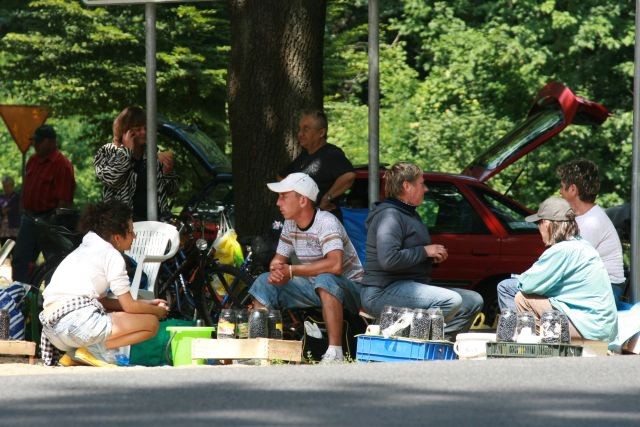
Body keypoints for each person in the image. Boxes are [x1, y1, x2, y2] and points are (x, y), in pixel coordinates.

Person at [248, 173, 363, 363]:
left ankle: (335, 353)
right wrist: (277, 271)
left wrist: (291, 271)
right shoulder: (290, 224)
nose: (278, 202)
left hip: (351, 290)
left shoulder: (326, 222)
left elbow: (335, 265)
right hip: (314, 287)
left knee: (325, 279)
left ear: (302, 200)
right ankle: (259, 349)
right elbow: (278, 260)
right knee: (263, 281)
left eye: (284, 196)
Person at [39, 201, 169, 367]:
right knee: (151, 323)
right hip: (78, 324)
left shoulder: (85, 249)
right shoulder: (111, 255)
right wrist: (156, 311)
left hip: (53, 332)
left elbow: (101, 302)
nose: (134, 236)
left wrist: (145, 303)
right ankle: (92, 351)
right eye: (131, 231)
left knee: (111, 312)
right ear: (117, 237)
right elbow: (129, 306)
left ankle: (75, 354)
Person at [360, 162, 483, 337]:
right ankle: (417, 344)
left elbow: (410, 254)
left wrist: (430, 258)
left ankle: (442, 345)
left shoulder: (409, 214)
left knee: (472, 301)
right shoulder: (389, 215)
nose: (425, 189)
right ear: (406, 186)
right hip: (381, 292)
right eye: (421, 183)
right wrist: (425, 252)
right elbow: (389, 260)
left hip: (407, 287)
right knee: (451, 301)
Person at [498, 159, 625, 310]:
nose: (560, 192)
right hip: (592, 287)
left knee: (509, 288)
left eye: (562, 187)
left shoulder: (591, 222)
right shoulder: (584, 218)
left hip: (606, 291)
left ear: (572, 189)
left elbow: (564, 268)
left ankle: (523, 330)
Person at [512, 197, 617, 343]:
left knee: (521, 298)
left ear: (547, 224)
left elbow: (527, 284)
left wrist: (519, 279)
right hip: (603, 327)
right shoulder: (583, 245)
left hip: (589, 328)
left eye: (539, 223)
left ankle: (536, 345)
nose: (538, 228)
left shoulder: (561, 250)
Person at [11, 125, 76, 282]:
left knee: (54, 263)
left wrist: (56, 224)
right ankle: (21, 296)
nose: (35, 145)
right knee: (20, 259)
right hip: (29, 218)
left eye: (39, 141)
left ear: (51, 142)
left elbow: (65, 201)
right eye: (35, 141)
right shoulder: (33, 161)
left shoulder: (62, 164)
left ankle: (51, 301)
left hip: (50, 220)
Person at [94, 106, 178, 221]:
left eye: (145, 128)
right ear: (125, 132)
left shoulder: (153, 153)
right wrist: (127, 152)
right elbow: (111, 178)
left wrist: (167, 173)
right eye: (138, 129)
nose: (144, 132)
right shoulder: (107, 152)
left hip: (154, 224)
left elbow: (172, 191)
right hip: (122, 225)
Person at [279, 109, 356, 220]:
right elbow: (282, 176)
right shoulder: (304, 155)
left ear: (321, 133)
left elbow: (349, 176)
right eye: (300, 129)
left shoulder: (331, 154)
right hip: (304, 221)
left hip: (324, 221)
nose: (300, 134)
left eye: (306, 129)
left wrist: (327, 197)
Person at [0, 175, 20, 240]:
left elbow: (15, 209)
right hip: (3, 229)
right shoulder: (1, 197)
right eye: (4, 186)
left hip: (14, 227)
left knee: (14, 246)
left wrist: (7, 210)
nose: (6, 188)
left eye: (8, 186)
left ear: (12, 186)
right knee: (4, 247)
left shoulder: (17, 197)